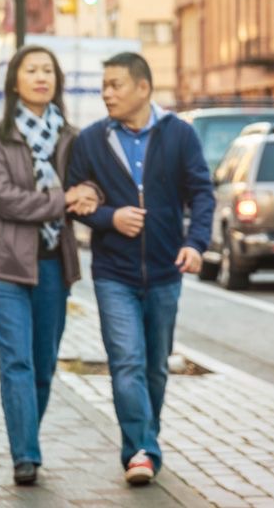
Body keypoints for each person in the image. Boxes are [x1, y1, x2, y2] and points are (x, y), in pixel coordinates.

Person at [65, 52, 215, 485]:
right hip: (114, 273)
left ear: (144, 88)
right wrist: (110, 217)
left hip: (167, 271)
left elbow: (202, 192)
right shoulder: (91, 140)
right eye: (104, 85)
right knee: (126, 361)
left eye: (116, 85)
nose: (106, 93)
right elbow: (75, 201)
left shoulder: (180, 135)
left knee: (155, 367)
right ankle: (141, 451)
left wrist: (196, 243)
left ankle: (146, 439)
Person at [0, 45, 101, 486]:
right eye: (32, 70)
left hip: (52, 265)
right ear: (15, 81)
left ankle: (28, 434)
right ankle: (25, 455)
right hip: (3, 265)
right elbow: (3, 199)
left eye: (49, 70)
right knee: (18, 363)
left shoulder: (73, 137)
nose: (41, 77)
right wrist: (62, 200)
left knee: (44, 365)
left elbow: (89, 188)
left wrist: (87, 197)